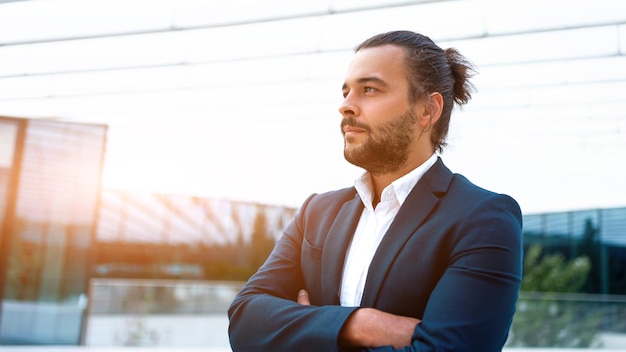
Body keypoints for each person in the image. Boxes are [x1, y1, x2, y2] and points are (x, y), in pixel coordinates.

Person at [228, 30, 523, 351]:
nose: (346, 106)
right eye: (346, 92)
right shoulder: (317, 212)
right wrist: (363, 325)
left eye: (369, 89)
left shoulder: (484, 219)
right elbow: (244, 320)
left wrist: (309, 328)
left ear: (428, 110)